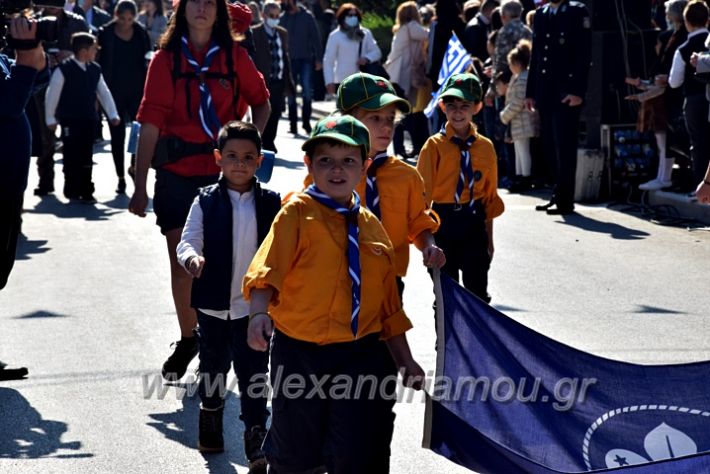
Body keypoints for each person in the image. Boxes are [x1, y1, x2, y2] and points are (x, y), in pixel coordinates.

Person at [243, 114, 424, 473]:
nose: (336, 170)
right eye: (325, 160)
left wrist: (404, 360)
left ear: (364, 167)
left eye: (348, 161)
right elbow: (267, 270)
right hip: (300, 351)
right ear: (310, 164)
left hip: (359, 354)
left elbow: (388, 307)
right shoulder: (297, 213)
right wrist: (258, 315)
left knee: (355, 449)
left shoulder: (372, 229)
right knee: (296, 451)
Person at [128, 0, 270, 382]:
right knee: (182, 261)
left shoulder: (234, 57)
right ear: (182, 11)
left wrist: (247, 146)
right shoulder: (165, 61)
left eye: (211, 2)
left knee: (220, 260)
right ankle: (189, 336)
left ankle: (214, 337)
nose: (203, 8)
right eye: (195, 2)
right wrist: (139, 185)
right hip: (175, 172)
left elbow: (262, 101)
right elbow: (150, 124)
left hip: (221, 174)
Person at [176, 121, 280, 472]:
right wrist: (192, 257)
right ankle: (210, 415)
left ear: (260, 161)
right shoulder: (205, 200)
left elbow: (282, 248)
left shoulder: (270, 203)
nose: (240, 163)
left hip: (254, 309)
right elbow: (187, 238)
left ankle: (255, 436)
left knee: (254, 374)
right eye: (232, 156)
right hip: (212, 304)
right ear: (218, 158)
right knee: (214, 365)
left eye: (248, 157)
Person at [417, 73, 504, 303]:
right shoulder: (433, 146)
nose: (457, 112)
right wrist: (428, 242)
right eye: (452, 105)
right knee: (446, 295)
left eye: (464, 105)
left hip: (474, 221)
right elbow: (421, 197)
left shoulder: (485, 148)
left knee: (478, 294)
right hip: (442, 221)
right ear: (442, 106)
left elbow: (489, 198)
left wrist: (489, 240)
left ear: (476, 107)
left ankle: (476, 340)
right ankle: (445, 340)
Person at [525, 0, 591, 215]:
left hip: (566, 93)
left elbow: (584, 55)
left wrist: (578, 91)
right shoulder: (542, 14)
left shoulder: (576, 11)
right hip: (546, 92)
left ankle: (565, 199)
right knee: (550, 147)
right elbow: (536, 55)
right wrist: (531, 92)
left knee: (564, 147)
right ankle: (557, 192)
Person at [45, 32, 120, 202]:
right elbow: (52, 94)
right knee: (71, 153)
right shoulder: (64, 69)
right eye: (94, 49)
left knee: (87, 154)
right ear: (84, 51)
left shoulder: (95, 69)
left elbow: (104, 93)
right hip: (69, 120)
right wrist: (50, 118)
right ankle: (71, 187)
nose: (96, 52)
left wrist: (113, 114)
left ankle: (86, 188)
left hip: (88, 119)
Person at [31, 5, 88, 197]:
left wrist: (71, 56)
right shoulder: (35, 22)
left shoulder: (76, 22)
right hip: (43, 82)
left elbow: (89, 52)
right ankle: (45, 180)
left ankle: (75, 183)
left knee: (74, 137)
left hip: (74, 85)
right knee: (45, 134)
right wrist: (46, 59)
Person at [98, 0, 152, 194]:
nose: (126, 22)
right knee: (117, 134)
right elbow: (100, 63)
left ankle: (133, 166)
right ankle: (120, 176)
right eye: (122, 18)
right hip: (113, 90)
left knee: (138, 133)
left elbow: (148, 59)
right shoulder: (105, 33)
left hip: (137, 90)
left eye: (130, 18)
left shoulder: (140, 33)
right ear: (116, 15)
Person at [669, 0, 710, 193]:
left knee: (698, 144)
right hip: (706, 96)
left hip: (694, 99)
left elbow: (674, 81)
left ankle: (701, 188)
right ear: (707, 20)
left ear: (686, 21)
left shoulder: (684, 48)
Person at [384, 1, 430, 159]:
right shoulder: (412, 27)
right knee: (408, 114)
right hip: (406, 77)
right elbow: (429, 35)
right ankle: (417, 146)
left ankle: (400, 148)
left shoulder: (400, 29)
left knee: (398, 113)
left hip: (396, 76)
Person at [252, 0, 295, 154]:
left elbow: (285, 55)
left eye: (277, 15)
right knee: (262, 112)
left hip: (278, 79)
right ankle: (259, 140)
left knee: (276, 112)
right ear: (263, 15)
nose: (275, 18)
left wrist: (288, 79)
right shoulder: (255, 32)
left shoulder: (282, 33)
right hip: (262, 81)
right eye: (272, 15)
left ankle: (269, 141)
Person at [279, 0, 323, 135]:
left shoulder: (307, 16)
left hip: (306, 60)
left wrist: (319, 59)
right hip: (289, 61)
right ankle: (293, 125)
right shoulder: (282, 18)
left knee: (307, 93)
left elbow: (316, 38)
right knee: (290, 94)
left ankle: (306, 123)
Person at [500, 39, 539, 191]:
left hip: (522, 120)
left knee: (523, 151)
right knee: (519, 150)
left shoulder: (522, 78)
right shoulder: (518, 77)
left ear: (517, 63)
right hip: (518, 121)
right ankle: (519, 176)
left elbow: (517, 101)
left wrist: (505, 115)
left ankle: (525, 177)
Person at [323, 4, 382, 98]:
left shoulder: (365, 33)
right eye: (350, 15)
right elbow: (328, 61)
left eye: (355, 15)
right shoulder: (335, 36)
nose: (353, 18)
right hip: (343, 81)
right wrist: (329, 82)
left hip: (363, 79)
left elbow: (377, 52)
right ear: (342, 17)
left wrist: (367, 58)